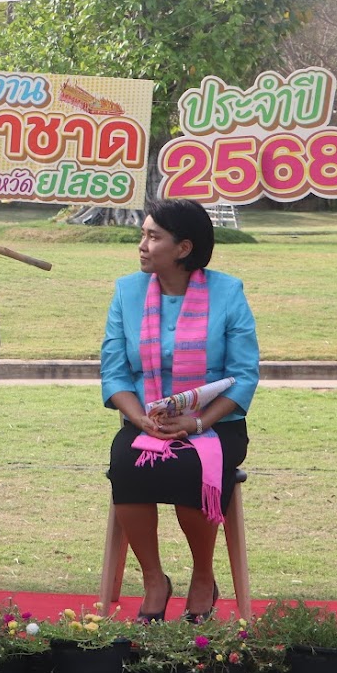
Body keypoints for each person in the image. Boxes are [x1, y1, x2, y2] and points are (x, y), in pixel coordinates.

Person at [100, 199, 258, 623]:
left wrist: (198, 421)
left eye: (153, 237)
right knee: (126, 465)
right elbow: (114, 371)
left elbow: (243, 375)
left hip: (216, 424)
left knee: (192, 468)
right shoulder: (126, 291)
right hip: (146, 421)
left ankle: (203, 577)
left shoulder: (228, 292)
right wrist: (140, 419)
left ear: (183, 248)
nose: (142, 245)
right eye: (143, 235)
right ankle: (155, 579)